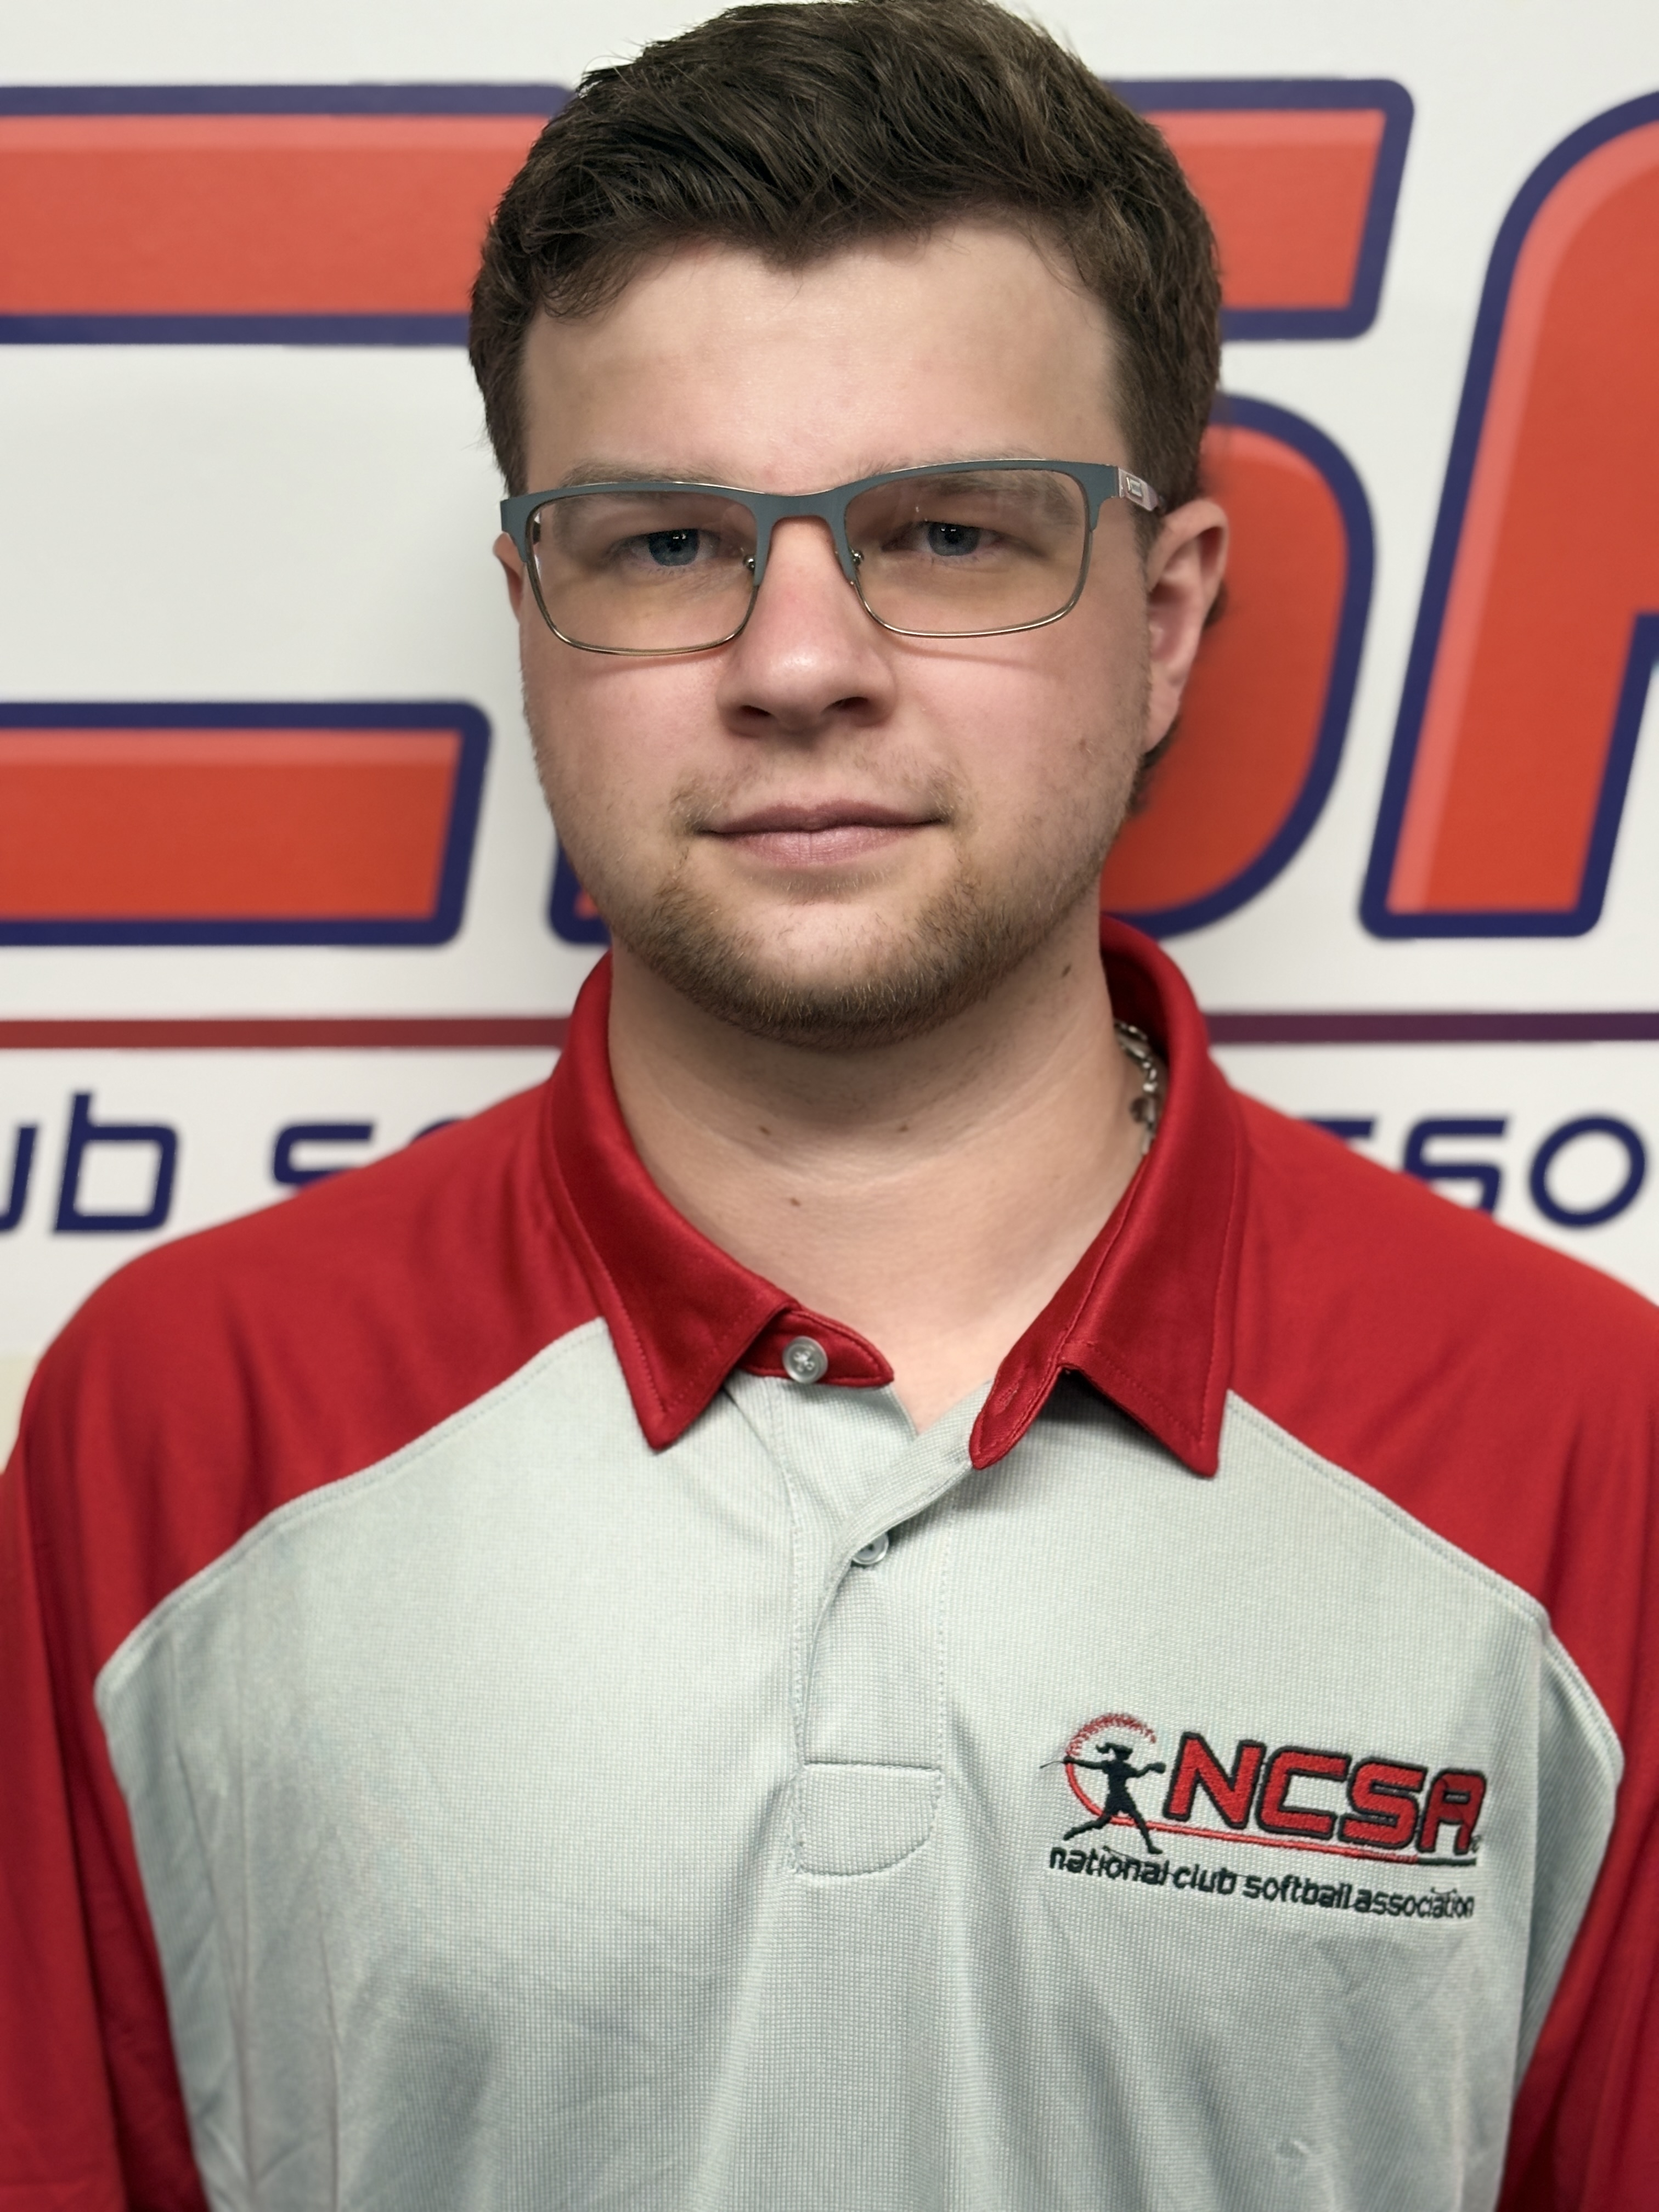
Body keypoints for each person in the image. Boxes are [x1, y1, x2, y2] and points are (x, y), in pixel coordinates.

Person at [2, 2, 1655, 2205]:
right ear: (532, 612)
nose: (799, 665)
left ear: (1167, 617)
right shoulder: (186, 1418)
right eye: (666, 544)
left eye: (954, 533)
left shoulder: (1578, 1446)